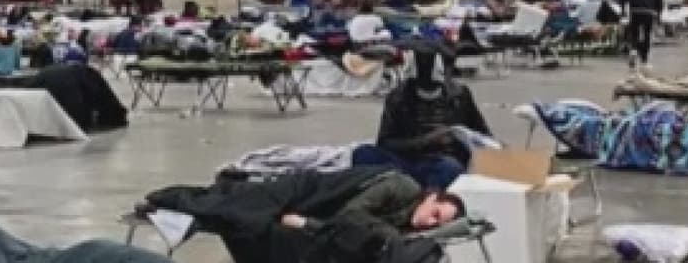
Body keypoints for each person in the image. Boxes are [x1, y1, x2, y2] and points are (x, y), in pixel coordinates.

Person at [146, 167, 463, 263]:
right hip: (307, 192)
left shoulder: (409, 223)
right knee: (241, 212)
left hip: (311, 212)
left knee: (254, 225)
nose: (430, 222)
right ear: (430, 197)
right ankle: (170, 200)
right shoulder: (401, 186)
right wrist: (306, 223)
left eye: (438, 223)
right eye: (435, 212)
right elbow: (351, 216)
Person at [352, 43, 491, 189]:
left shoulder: (460, 95)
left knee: (450, 168)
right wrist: (424, 141)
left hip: (441, 162)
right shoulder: (398, 97)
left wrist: (456, 138)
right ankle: (407, 187)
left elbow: (483, 135)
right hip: (405, 162)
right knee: (363, 154)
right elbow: (385, 142)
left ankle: (426, 194)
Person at [620, 0, 664, 70]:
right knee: (647, 34)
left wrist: (622, 9)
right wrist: (659, 14)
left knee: (634, 32)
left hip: (635, 10)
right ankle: (644, 60)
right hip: (649, 11)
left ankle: (633, 51)